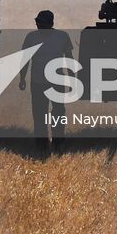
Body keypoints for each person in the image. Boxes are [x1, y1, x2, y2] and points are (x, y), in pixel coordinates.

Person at [18, 9, 74, 149]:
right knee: (39, 113)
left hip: (57, 82)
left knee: (58, 111)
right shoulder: (32, 37)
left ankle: (58, 141)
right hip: (38, 82)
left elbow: (69, 59)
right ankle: (42, 144)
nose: (38, 25)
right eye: (37, 22)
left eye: (40, 22)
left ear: (50, 23)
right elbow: (25, 60)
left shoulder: (62, 36)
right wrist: (22, 78)